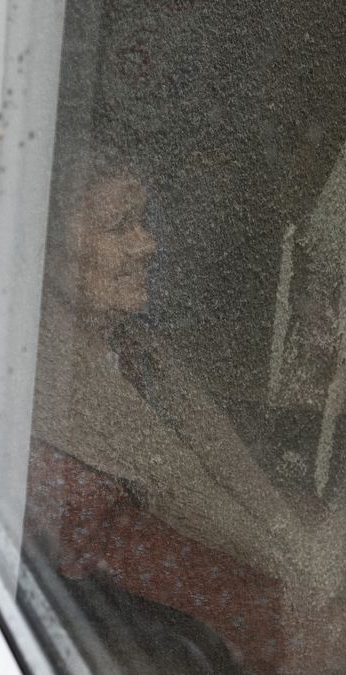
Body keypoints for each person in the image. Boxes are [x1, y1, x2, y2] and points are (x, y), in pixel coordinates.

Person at [23, 160, 346, 673]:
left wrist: (302, 553)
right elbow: (164, 559)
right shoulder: (49, 391)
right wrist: (303, 591)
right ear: (53, 257)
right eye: (118, 226)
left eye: (143, 222)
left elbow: (228, 468)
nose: (147, 245)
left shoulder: (139, 349)